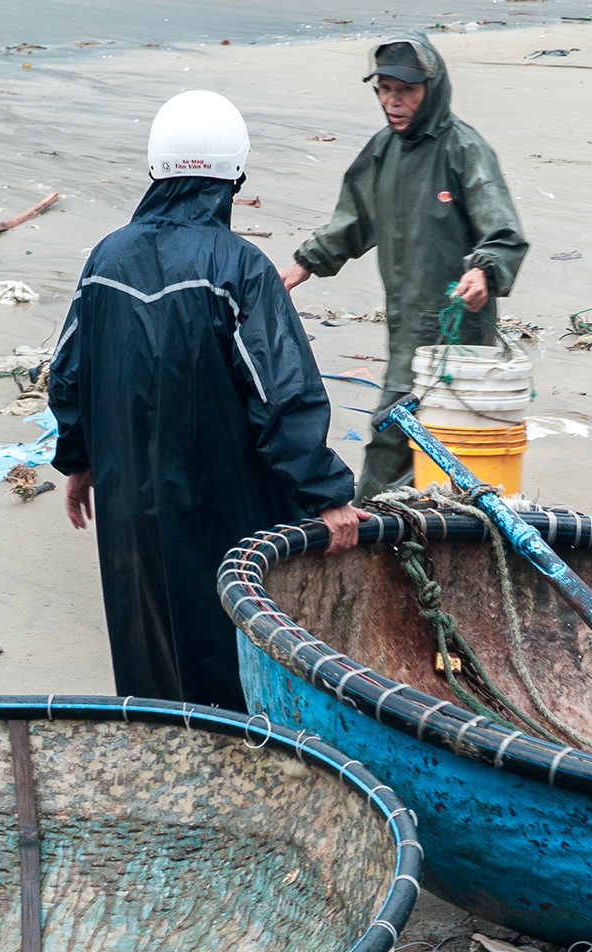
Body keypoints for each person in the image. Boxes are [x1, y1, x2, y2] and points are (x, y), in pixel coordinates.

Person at [51, 90, 367, 712]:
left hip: (129, 504)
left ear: (155, 167)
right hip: (225, 507)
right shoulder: (239, 268)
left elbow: (68, 374)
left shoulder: (105, 260)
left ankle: (162, 749)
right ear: (234, 177)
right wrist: (327, 496)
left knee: (148, 643)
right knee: (232, 645)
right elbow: (283, 395)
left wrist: (79, 462)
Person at [281, 31, 528, 499]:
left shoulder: (463, 149)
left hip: (458, 336)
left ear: (431, 89)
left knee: (407, 439)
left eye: (407, 90)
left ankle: (372, 523)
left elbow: (502, 231)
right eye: (385, 89)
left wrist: (484, 271)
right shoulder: (382, 150)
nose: (393, 101)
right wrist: (301, 266)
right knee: (410, 442)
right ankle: (403, 527)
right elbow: (354, 219)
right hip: (406, 331)